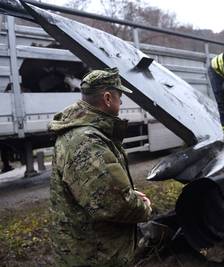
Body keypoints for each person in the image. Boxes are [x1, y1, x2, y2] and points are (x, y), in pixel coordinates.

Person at [48, 68, 152, 266]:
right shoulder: (87, 141)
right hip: (95, 254)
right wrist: (143, 208)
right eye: (119, 96)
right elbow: (113, 204)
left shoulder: (84, 133)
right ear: (107, 98)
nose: (121, 102)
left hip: (87, 247)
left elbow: (99, 188)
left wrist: (129, 193)